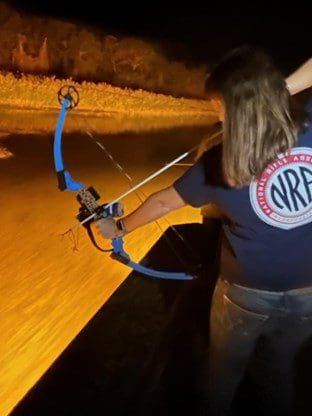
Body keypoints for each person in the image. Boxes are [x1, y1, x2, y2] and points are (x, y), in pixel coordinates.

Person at [96, 48, 312, 415]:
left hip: (246, 294)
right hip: (308, 292)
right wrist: (269, 95)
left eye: (221, 105)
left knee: (223, 372)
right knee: (278, 371)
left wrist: (117, 226)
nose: (218, 113)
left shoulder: (218, 164)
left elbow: (165, 202)